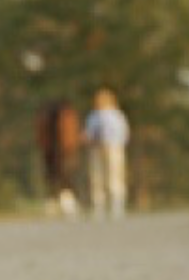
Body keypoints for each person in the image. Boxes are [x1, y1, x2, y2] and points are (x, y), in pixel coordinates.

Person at [84, 88, 130, 219]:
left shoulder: (116, 115)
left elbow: (123, 132)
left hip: (113, 147)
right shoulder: (93, 116)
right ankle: (99, 205)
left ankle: (117, 204)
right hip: (96, 148)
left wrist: (114, 144)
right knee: (97, 177)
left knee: (114, 175)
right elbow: (89, 132)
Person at [36, 100, 81, 219]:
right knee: (55, 176)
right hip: (56, 150)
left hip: (63, 149)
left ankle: (63, 202)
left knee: (63, 175)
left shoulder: (63, 116)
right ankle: (56, 202)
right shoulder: (60, 116)